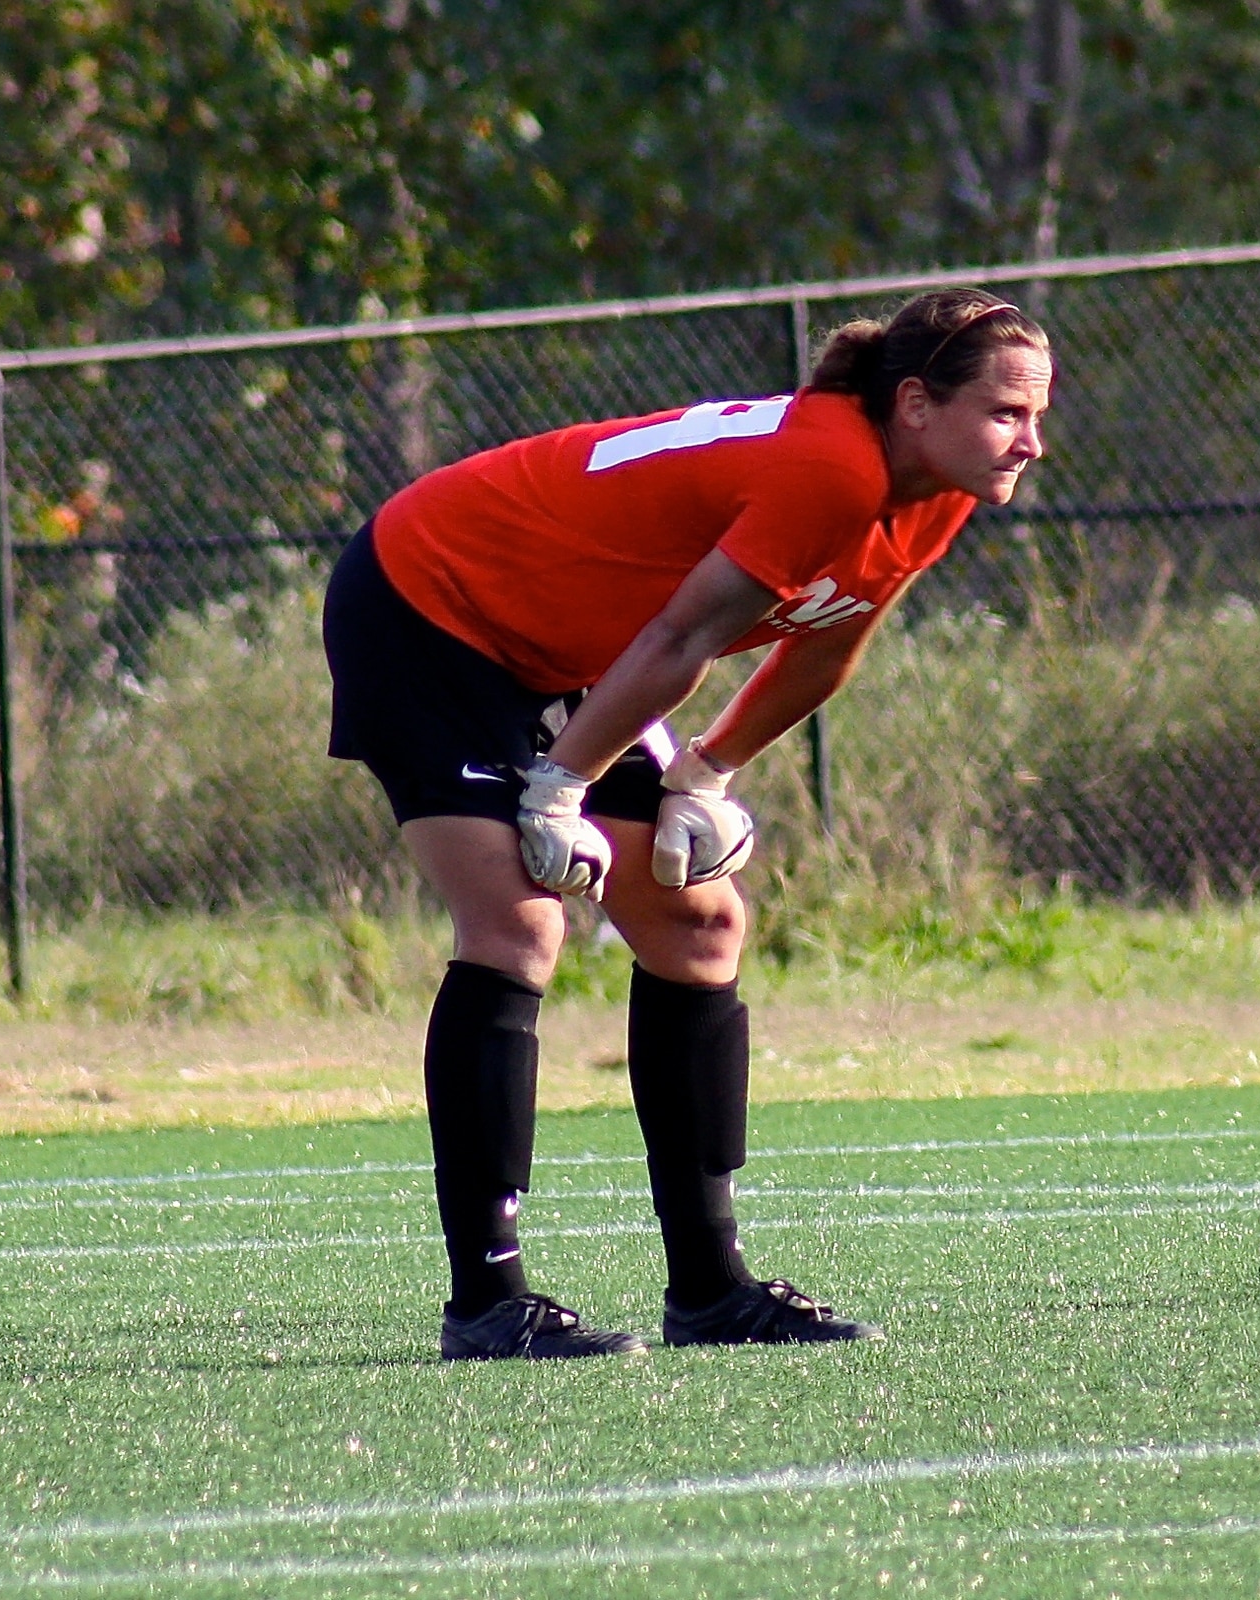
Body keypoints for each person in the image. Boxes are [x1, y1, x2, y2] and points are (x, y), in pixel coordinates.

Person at [323, 288, 1055, 1360]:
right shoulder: (833, 467)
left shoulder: (930, 490)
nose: (1031, 441)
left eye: (1036, 415)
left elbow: (822, 641)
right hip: (430, 600)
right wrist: (561, 786)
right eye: (1005, 412)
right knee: (522, 926)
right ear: (913, 403)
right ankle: (486, 1302)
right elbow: (682, 635)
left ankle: (709, 1290)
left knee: (700, 926)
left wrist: (707, 771)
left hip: (567, 647)